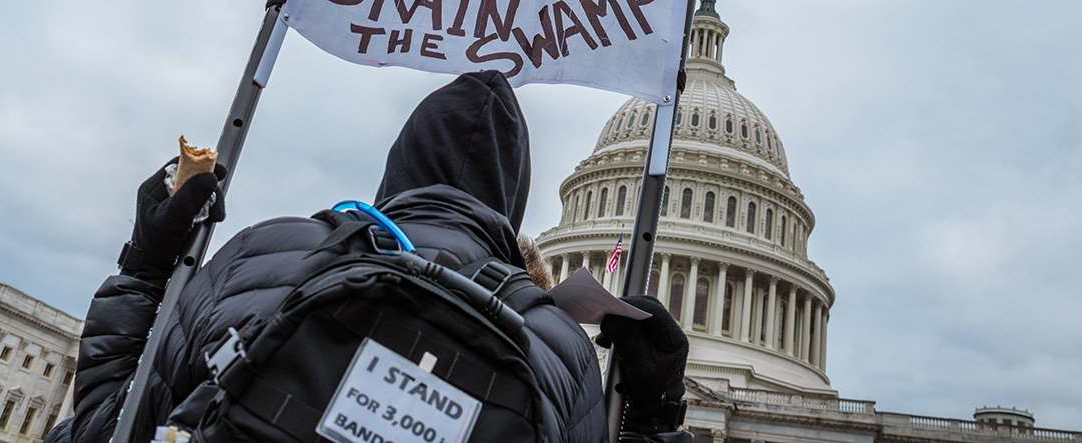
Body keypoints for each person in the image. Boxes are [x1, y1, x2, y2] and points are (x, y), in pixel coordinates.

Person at [67, 70, 693, 443]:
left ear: (396, 172)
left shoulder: (263, 255)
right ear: (513, 208)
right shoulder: (564, 354)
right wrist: (650, 417)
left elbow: (106, 429)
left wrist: (146, 266)